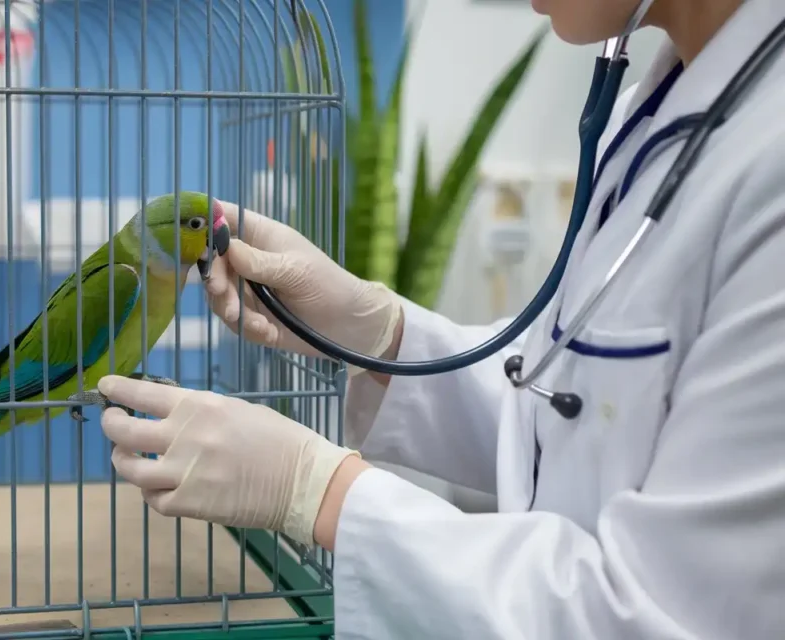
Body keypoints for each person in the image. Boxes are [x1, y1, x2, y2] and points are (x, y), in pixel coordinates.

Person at [99, 0, 785, 637]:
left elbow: (653, 614)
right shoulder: (654, 111)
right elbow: (570, 411)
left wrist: (323, 492)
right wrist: (381, 337)